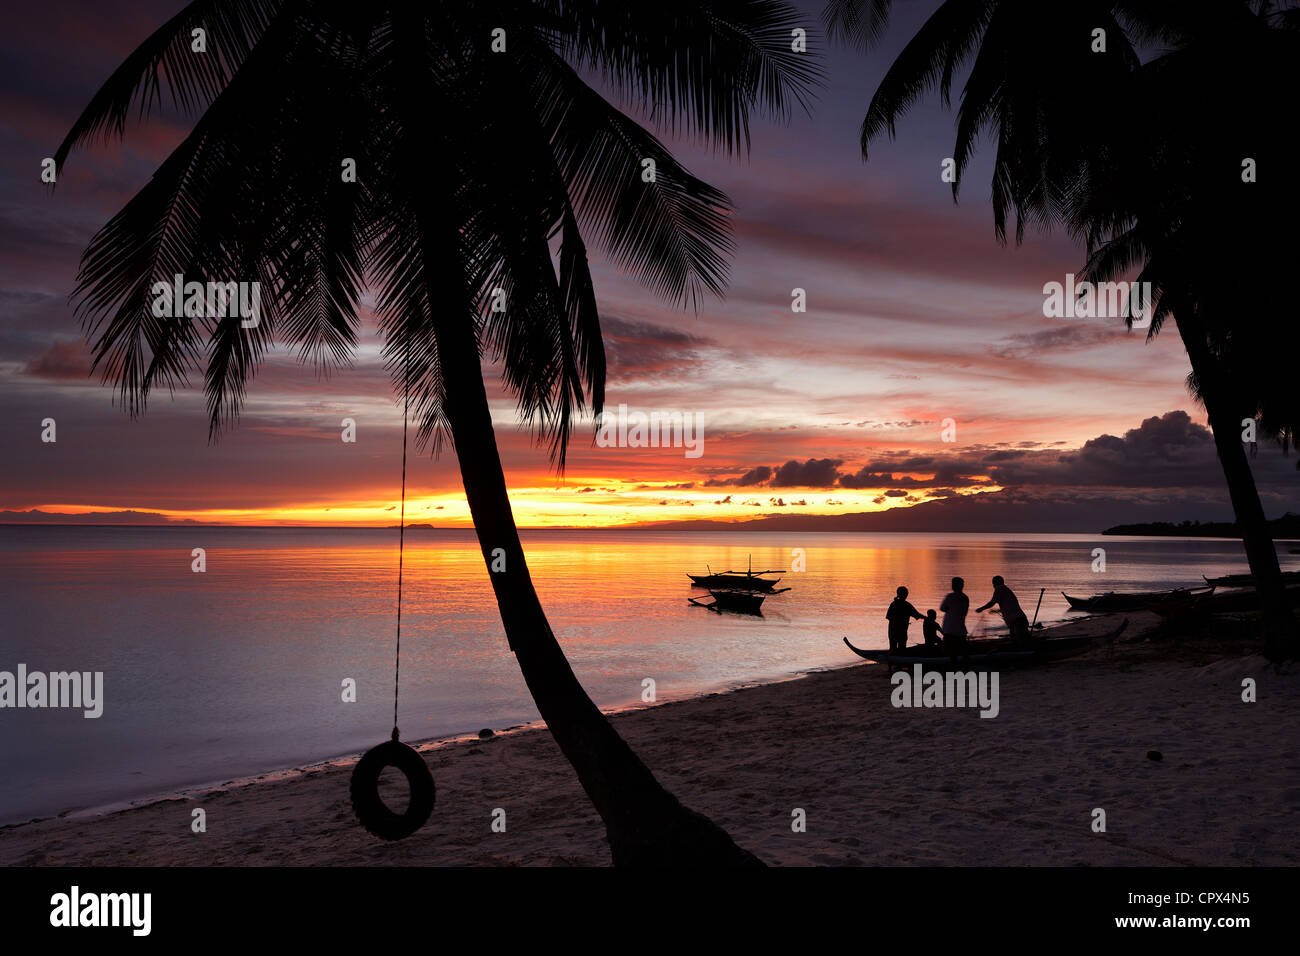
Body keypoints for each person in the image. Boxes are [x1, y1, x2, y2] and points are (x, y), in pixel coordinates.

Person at [975, 575, 1031, 646]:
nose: (993, 585)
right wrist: (997, 611)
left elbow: (992, 602)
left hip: (1017, 621)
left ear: (996, 583)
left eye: (993, 583)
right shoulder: (1006, 590)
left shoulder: (999, 588)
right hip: (1018, 620)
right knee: (1019, 642)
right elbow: (1009, 606)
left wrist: (981, 609)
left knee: (1021, 643)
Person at [885, 586, 924, 653]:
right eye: (906, 593)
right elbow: (917, 615)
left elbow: (889, 617)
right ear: (905, 594)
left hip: (892, 631)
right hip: (901, 632)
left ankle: (892, 660)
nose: (907, 594)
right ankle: (901, 661)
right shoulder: (907, 605)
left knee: (892, 649)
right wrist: (927, 618)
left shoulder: (893, 604)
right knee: (902, 650)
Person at [939, 576, 970, 661]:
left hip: (949, 629)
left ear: (953, 586)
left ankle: (952, 669)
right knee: (963, 652)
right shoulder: (965, 598)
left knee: (950, 653)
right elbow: (964, 612)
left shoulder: (950, 596)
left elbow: (942, 608)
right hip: (961, 629)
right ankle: (965, 668)